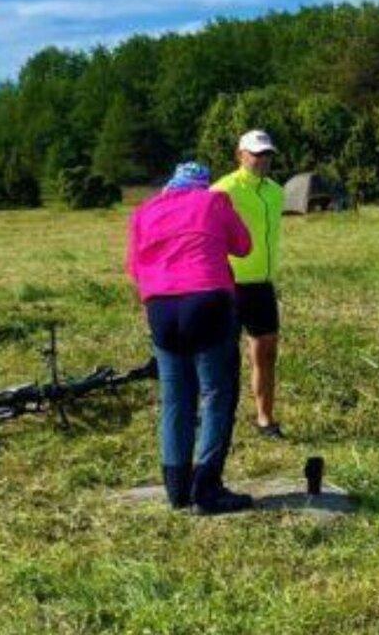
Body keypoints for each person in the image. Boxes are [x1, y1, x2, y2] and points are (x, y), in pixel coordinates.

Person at [129, 162, 255, 514]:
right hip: (207, 300)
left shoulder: (144, 211)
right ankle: (207, 487)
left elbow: (134, 267)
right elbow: (243, 246)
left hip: (161, 308)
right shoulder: (214, 202)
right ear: (203, 185)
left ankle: (177, 488)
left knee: (175, 397)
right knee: (217, 393)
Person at [213, 130, 288, 439]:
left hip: (261, 285)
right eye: (256, 153)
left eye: (267, 153)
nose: (262, 160)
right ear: (240, 154)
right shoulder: (222, 190)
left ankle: (264, 419)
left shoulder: (276, 192)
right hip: (228, 284)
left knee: (266, 353)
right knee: (221, 357)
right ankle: (216, 420)